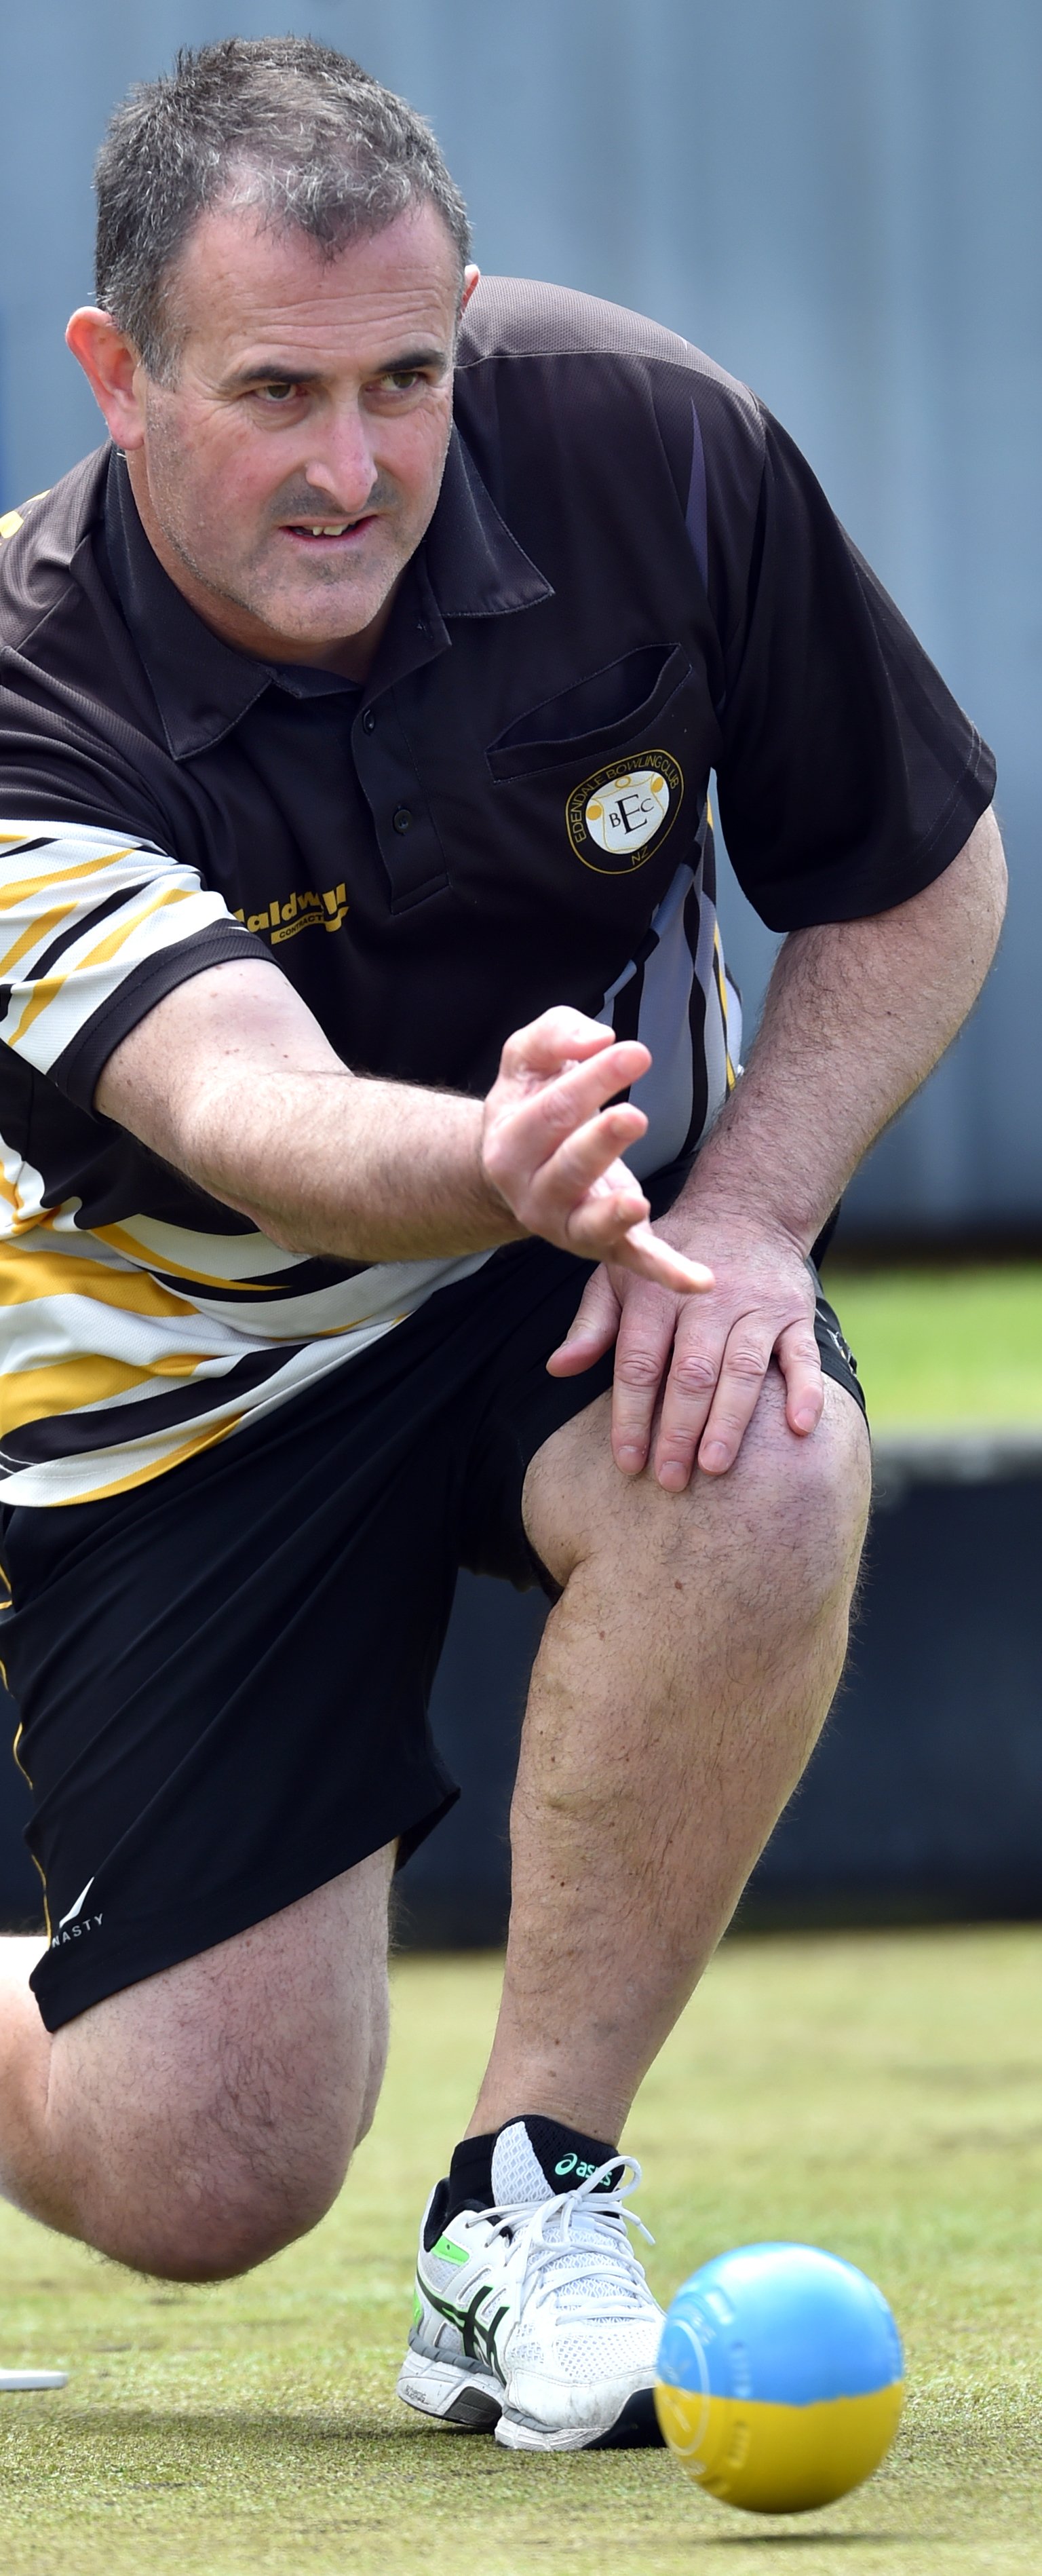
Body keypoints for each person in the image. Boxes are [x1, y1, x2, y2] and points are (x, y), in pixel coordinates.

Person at [0, 36, 1004, 2452]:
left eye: (407, 377)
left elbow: (914, 874)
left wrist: (752, 1213)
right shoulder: (28, 691)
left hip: (593, 1239)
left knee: (762, 1440)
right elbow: (245, 1104)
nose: (355, 465)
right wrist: (493, 1162)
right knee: (208, 2159)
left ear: (468, 317)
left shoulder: (659, 446)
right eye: (276, 393)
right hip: (182, 1372)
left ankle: (526, 2207)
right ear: (118, 376)